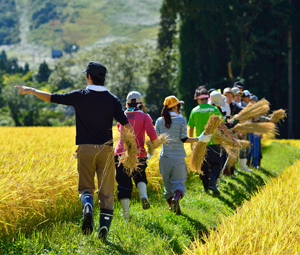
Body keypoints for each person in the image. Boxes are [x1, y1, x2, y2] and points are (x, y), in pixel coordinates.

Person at [15, 61, 133, 242]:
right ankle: (103, 230)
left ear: (88, 77)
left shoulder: (80, 95)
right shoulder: (112, 99)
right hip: (107, 151)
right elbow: (126, 126)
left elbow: (53, 97)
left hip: (85, 149)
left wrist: (32, 89)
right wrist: (130, 148)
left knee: (86, 188)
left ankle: (88, 208)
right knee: (107, 192)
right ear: (103, 78)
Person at [155, 95, 210, 215]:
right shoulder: (181, 121)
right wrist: (198, 139)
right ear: (174, 106)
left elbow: (156, 139)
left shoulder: (159, 121)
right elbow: (184, 139)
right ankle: (176, 199)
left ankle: (172, 207)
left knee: (167, 186)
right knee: (179, 184)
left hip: (164, 159)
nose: (179, 108)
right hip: (178, 158)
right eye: (178, 106)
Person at [115, 91, 158, 220]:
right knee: (140, 176)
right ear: (140, 104)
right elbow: (154, 137)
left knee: (123, 182)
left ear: (127, 103)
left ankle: (126, 213)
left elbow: (119, 129)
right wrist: (152, 148)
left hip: (121, 154)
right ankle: (143, 195)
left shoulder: (121, 115)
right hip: (139, 153)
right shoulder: (145, 116)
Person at [189, 89, 238, 195]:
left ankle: (206, 188)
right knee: (216, 164)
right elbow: (222, 126)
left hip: (201, 143)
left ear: (198, 99)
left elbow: (191, 128)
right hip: (215, 142)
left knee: (203, 166)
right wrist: (232, 138)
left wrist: (192, 143)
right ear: (207, 98)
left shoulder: (194, 110)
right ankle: (212, 183)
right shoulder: (214, 109)